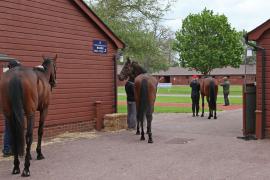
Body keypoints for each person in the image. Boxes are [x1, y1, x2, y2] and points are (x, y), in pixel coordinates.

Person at [2, 60, 21, 157]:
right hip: (11, 108)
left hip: (7, 108)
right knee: (11, 128)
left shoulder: (5, 78)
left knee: (9, 128)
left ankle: (8, 149)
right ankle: (7, 149)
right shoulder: (11, 79)